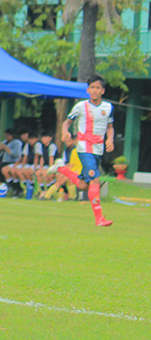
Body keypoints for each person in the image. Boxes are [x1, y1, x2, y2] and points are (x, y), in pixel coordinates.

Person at [60, 74, 114, 226]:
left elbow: (110, 127)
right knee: (95, 180)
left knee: (84, 185)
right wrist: (65, 131)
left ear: (102, 91)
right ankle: (99, 218)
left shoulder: (108, 107)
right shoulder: (80, 106)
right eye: (92, 87)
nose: (95, 90)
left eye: (98, 88)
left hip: (98, 149)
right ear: (88, 90)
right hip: (84, 148)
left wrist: (110, 139)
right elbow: (67, 122)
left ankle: (63, 170)